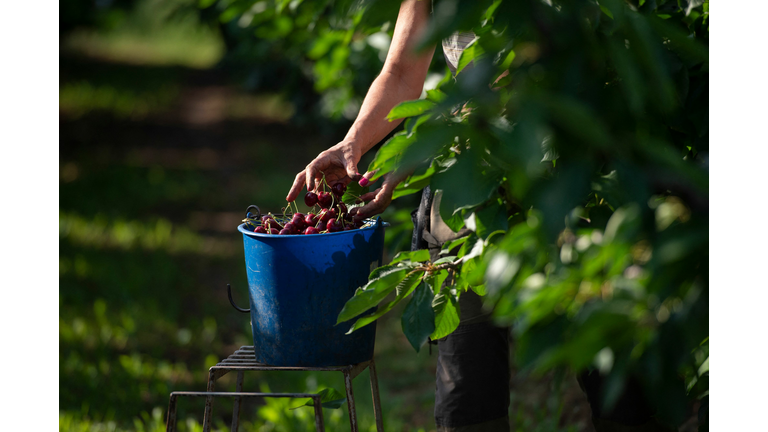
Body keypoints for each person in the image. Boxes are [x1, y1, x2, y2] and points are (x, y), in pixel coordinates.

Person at [285, 1, 670, 431]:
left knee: (622, 388)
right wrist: (354, 141)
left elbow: (560, 59)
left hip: (577, 177)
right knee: (467, 392)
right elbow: (401, 72)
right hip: (471, 188)